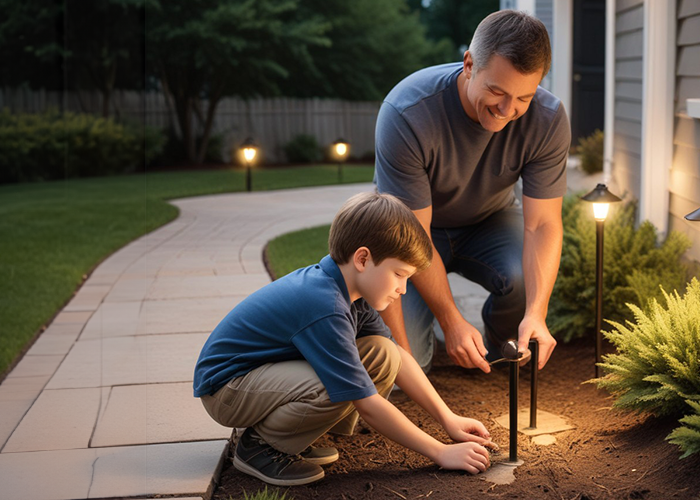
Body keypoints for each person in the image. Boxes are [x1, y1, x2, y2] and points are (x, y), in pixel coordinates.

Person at [193, 192, 492, 487]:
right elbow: (368, 404)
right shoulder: (326, 306)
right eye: (399, 274)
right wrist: (440, 452)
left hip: (257, 377)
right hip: (227, 389)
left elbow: (398, 358)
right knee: (341, 384)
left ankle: (290, 436)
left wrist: (447, 418)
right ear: (362, 258)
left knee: (384, 352)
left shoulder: (354, 295)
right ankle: (260, 447)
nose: (403, 289)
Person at [374, 10, 569, 375]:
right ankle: (432, 329)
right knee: (401, 368)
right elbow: (411, 233)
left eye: (523, 98)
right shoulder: (407, 112)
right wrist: (451, 321)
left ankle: (498, 346)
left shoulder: (547, 118)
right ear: (469, 64)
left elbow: (542, 225)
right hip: (409, 233)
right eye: (496, 91)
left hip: (489, 223)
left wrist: (536, 313)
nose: (508, 110)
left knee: (521, 278)